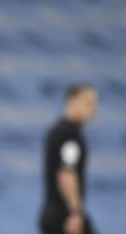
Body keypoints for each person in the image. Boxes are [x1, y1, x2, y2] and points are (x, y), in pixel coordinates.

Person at [40, 83, 98, 234]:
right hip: (64, 217)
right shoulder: (69, 136)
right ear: (71, 101)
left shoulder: (58, 131)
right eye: (88, 103)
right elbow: (66, 173)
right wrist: (75, 213)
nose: (93, 109)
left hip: (53, 214)